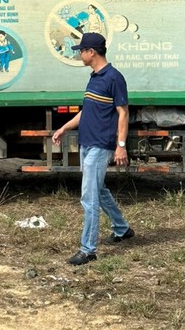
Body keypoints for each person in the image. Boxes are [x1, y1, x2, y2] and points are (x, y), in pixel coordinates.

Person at [52, 32, 134, 266]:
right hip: (87, 143)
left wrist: (120, 146)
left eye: (81, 50)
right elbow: (86, 111)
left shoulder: (114, 78)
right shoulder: (94, 77)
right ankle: (122, 228)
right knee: (98, 191)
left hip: (101, 145)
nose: (79, 54)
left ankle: (88, 249)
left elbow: (123, 113)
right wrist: (64, 128)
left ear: (92, 52)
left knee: (89, 198)